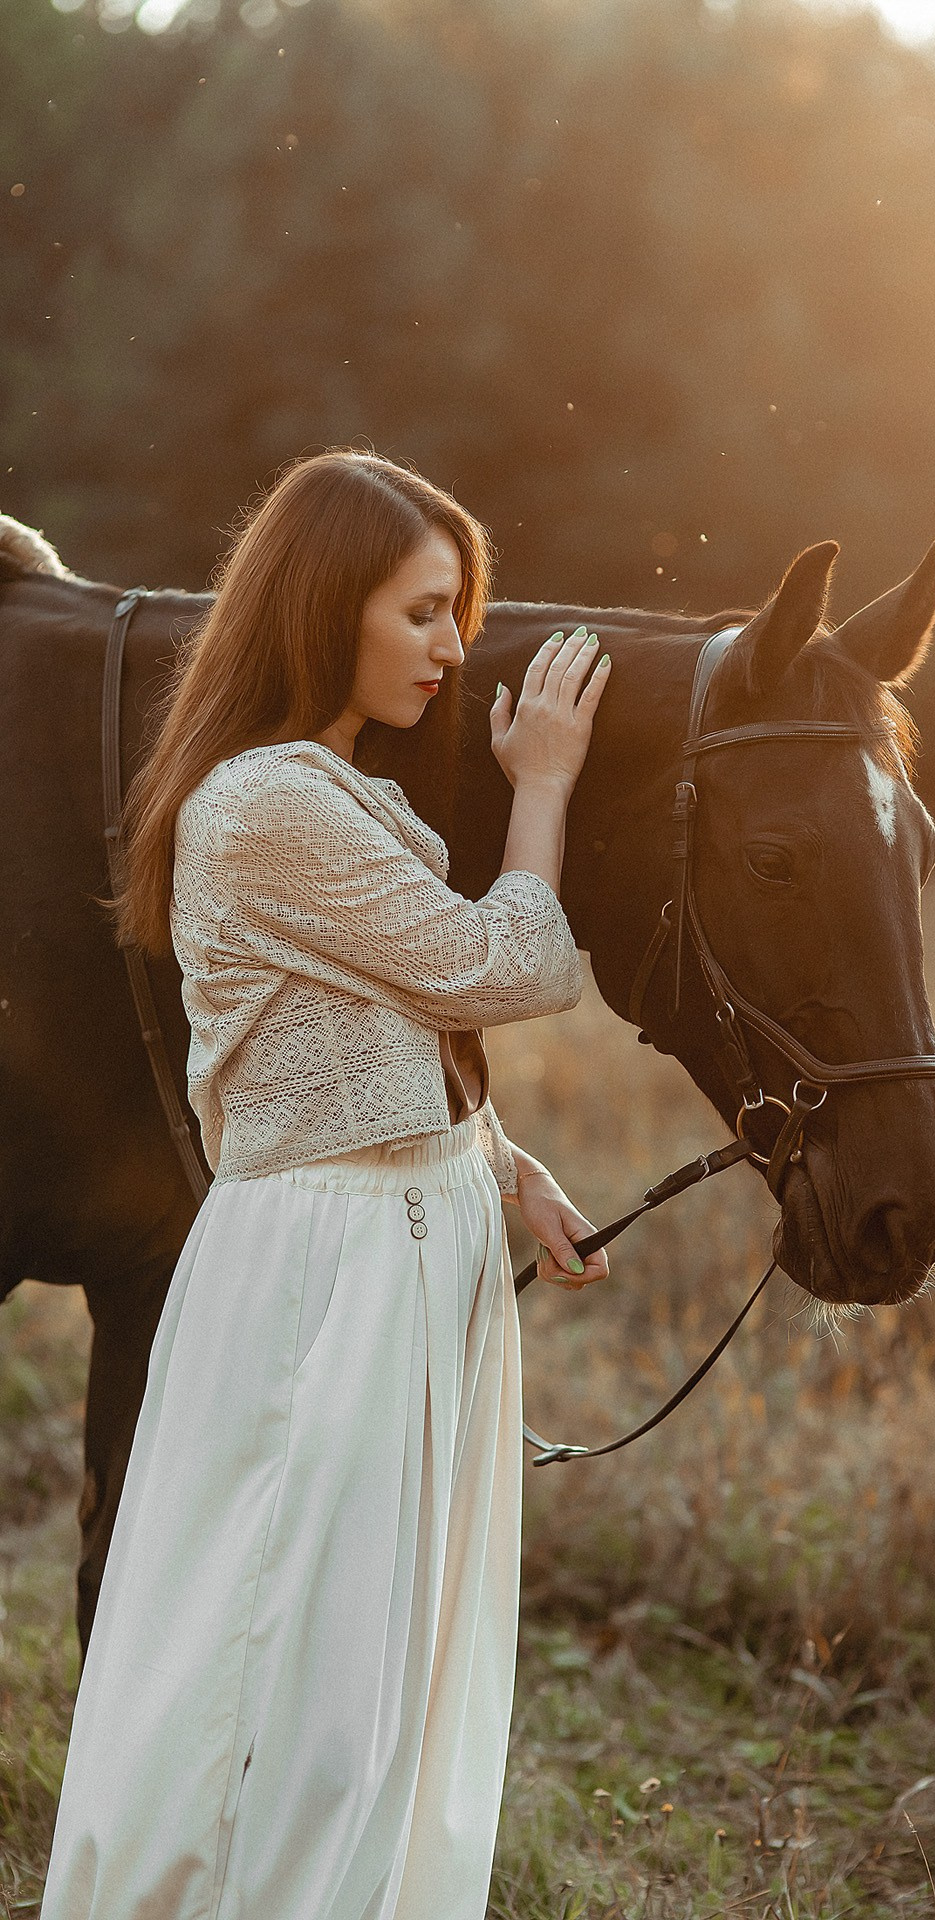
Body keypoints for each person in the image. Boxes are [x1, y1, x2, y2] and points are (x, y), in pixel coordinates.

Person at [40, 447, 612, 1919]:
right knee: (278, 1650)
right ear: (324, 606)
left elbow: (377, 1048)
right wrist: (543, 785)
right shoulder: (265, 807)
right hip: (323, 1275)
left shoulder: (344, 800)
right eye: (424, 611)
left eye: (458, 615)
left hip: (408, 1253)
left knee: (376, 1665)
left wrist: (506, 1173)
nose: (451, 648)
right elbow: (509, 966)